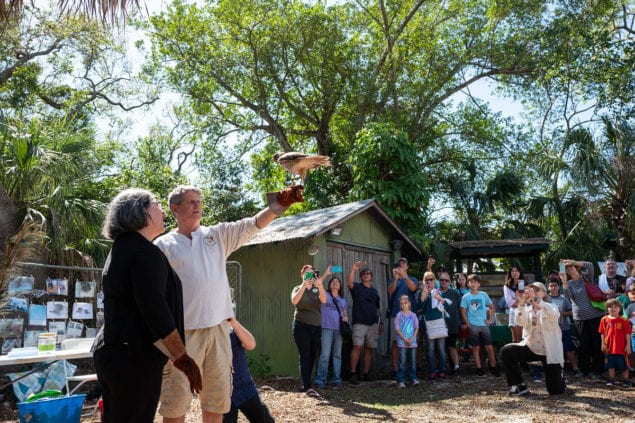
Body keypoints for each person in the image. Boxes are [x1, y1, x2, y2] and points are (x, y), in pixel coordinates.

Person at [155, 184, 303, 423]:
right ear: (175, 209)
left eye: (199, 201)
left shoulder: (217, 235)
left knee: (217, 400)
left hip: (219, 332)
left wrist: (278, 206)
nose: (197, 206)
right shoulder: (162, 246)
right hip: (182, 335)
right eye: (191, 202)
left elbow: (252, 225)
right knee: (176, 402)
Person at [93, 189, 202, 423]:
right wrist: (181, 357)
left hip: (114, 351)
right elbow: (154, 307)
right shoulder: (143, 252)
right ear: (140, 211)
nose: (162, 210)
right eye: (156, 204)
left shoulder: (123, 248)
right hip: (133, 358)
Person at [500, 282, 564, 396]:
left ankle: (560, 374)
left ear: (544, 293)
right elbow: (519, 322)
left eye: (536, 289)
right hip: (531, 347)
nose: (532, 292)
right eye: (530, 290)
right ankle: (519, 386)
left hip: (549, 352)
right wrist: (521, 303)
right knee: (506, 351)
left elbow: (554, 315)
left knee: (556, 391)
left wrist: (536, 300)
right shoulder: (527, 309)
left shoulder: (551, 306)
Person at [560, 259, 606, 379]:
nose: (570, 269)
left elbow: (590, 264)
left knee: (597, 344)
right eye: (568, 268)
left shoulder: (587, 277)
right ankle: (584, 370)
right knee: (582, 345)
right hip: (579, 318)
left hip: (595, 316)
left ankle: (597, 371)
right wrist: (564, 281)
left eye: (572, 267)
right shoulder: (568, 283)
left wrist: (572, 261)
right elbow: (568, 296)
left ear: (576, 268)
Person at [224, 318, 274, 423]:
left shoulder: (234, 331)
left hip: (244, 387)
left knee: (265, 420)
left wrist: (233, 322)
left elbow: (251, 344)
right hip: (223, 391)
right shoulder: (211, 334)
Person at [291, 265, 329, 396]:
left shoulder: (317, 288)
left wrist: (320, 286)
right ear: (302, 275)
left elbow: (324, 300)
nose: (309, 276)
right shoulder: (297, 288)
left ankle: (305, 382)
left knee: (313, 355)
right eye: (306, 274)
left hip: (316, 326)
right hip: (301, 325)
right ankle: (307, 386)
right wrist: (303, 285)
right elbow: (294, 300)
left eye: (311, 273)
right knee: (304, 355)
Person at [346, 262, 382, 384]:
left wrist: (379, 323)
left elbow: (378, 309)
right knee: (357, 346)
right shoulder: (357, 287)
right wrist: (353, 269)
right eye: (364, 274)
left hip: (373, 324)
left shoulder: (374, 291)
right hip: (359, 322)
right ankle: (353, 373)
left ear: (371, 276)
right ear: (361, 277)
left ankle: (366, 374)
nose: (367, 275)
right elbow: (349, 283)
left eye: (368, 274)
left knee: (369, 348)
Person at [459, 274, 500, 377]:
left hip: (484, 325)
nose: (473, 284)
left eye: (475, 282)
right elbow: (462, 311)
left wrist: (490, 319)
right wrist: (467, 323)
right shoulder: (466, 297)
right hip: (473, 325)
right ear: (468, 284)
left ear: (479, 284)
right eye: (471, 282)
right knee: (476, 348)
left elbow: (491, 306)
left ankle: (493, 367)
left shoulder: (483, 295)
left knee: (489, 347)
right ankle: (479, 368)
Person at [315, 276, 348, 389]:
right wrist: (326, 274)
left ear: (340, 286)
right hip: (326, 328)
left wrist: (345, 317)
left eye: (337, 282)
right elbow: (318, 285)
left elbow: (345, 313)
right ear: (329, 285)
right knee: (325, 355)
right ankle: (320, 381)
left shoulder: (342, 299)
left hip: (339, 330)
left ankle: (337, 380)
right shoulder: (325, 295)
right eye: (332, 282)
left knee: (337, 355)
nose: (335, 283)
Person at [387, 258, 418, 379]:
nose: (401, 266)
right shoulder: (392, 279)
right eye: (399, 265)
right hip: (396, 314)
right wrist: (395, 278)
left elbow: (413, 288)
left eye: (404, 264)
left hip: (410, 315)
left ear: (407, 267)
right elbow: (390, 291)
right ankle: (396, 370)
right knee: (395, 342)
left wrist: (404, 276)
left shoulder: (412, 279)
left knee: (412, 341)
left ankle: (412, 370)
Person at [547, 277, 580, 376]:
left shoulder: (564, 299)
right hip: (550, 329)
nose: (553, 288)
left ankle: (575, 368)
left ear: (559, 287)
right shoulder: (545, 299)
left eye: (555, 285)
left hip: (564, 328)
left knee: (568, 348)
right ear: (548, 287)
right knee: (552, 349)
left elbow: (572, 312)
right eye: (551, 286)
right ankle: (556, 370)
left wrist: (562, 313)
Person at [420, 273, 449, 380]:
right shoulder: (423, 293)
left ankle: (442, 371)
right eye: (426, 280)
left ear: (434, 280)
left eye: (431, 279)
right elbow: (419, 308)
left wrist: (439, 298)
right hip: (429, 325)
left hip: (440, 323)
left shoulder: (440, 291)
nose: (429, 281)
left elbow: (447, 306)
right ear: (424, 281)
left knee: (441, 349)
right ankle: (432, 371)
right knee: (430, 349)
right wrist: (423, 295)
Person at [598, 299, 632, 387]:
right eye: (610, 307)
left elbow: (628, 334)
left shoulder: (624, 320)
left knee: (624, 364)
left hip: (621, 347)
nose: (613, 309)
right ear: (607, 308)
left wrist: (628, 345)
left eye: (615, 307)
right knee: (610, 364)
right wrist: (602, 344)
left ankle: (626, 380)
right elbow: (602, 333)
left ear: (620, 309)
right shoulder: (603, 320)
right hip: (609, 348)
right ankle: (611, 379)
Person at [438, 271, 462, 374]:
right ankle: (441, 368)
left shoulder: (455, 293)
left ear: (449, 282)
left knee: (451, 345)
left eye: (446, 280)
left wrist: (464, 322)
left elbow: (461, 308)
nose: (444, 282)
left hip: (452, 323)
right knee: (440, 347)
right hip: (438, 324)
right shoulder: (435, 292)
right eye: (442, 280)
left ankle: (456, 367)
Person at [394, 295, 419, 388]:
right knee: (402, 361)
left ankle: (413, 378)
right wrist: (405, 339)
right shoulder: (399, 315)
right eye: (401, 304)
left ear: (409, 304)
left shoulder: (413, 315)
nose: (403, 305)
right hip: (402, 343)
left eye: (405, 303)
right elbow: (397, 329)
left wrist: (412, 339)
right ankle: (400, 380)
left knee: (412, 361)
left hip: (412, 342)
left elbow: (416, 328)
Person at [503, 266, 524, 343]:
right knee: (516, 340)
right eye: (512, 271)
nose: (514, 273)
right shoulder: (507, 286)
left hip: (524, 312)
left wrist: (518, 300)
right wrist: (519, 301)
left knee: (525, 339)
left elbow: (526, 300)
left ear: (520, 272)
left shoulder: (524, 284)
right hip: (514, 313)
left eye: (516, 271)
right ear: (510, 273)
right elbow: (510, 303)